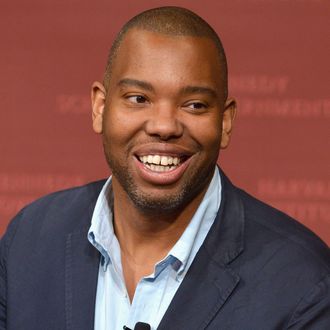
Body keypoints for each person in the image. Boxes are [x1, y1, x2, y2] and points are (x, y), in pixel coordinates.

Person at [0, 6, 329, 330]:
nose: (163, 126)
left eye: (194, 105)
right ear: (100, 107)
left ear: (225, 122)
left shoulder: (303, 283)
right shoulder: (30, 238)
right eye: (138, 98)